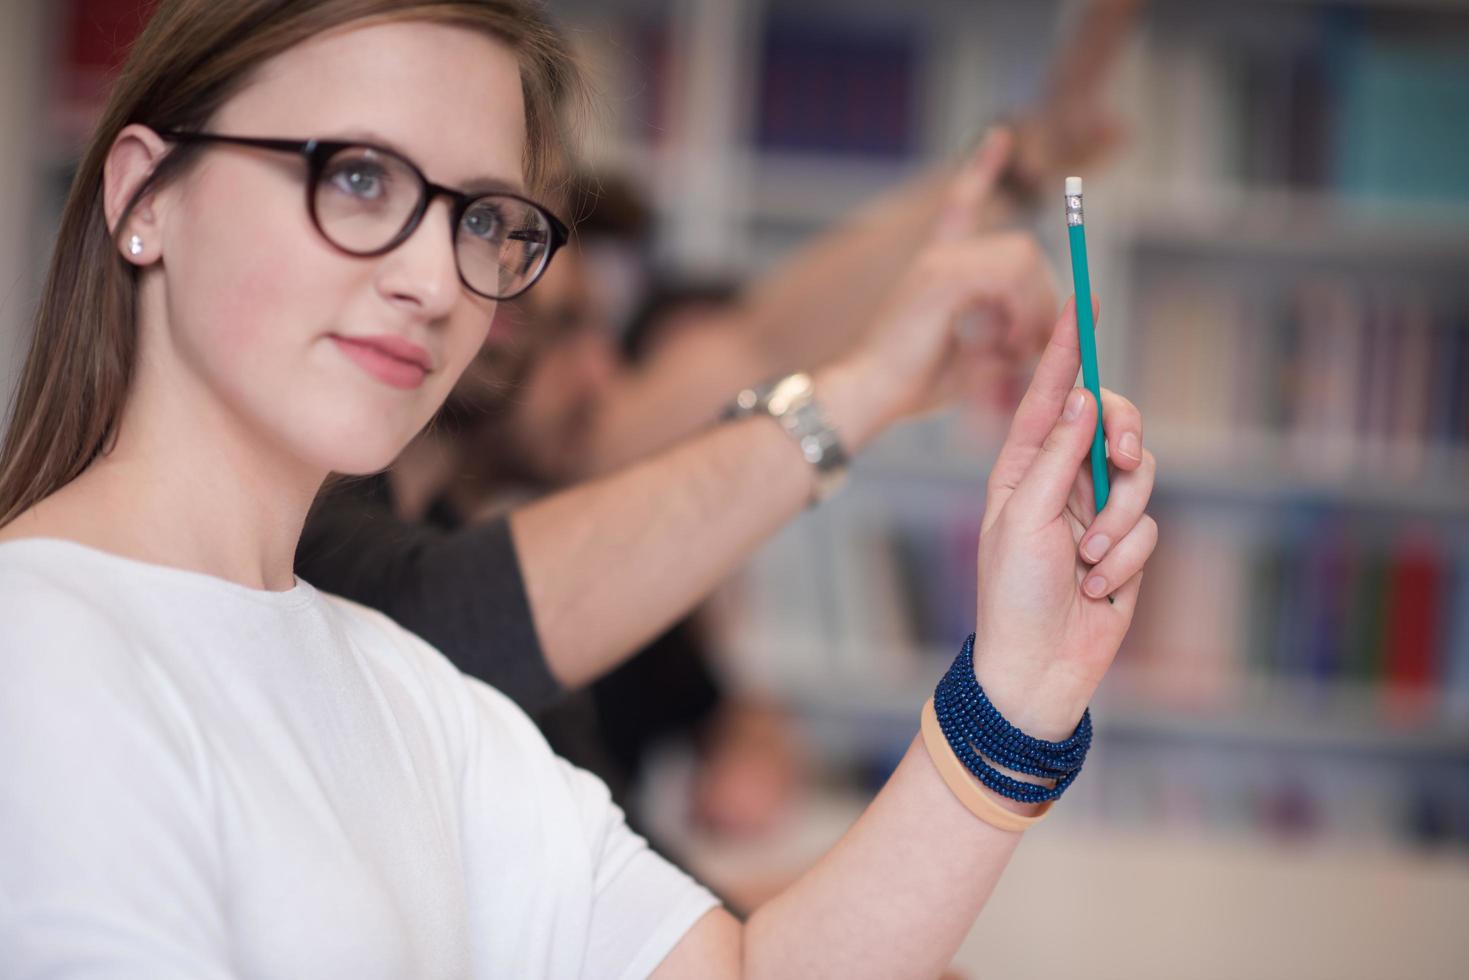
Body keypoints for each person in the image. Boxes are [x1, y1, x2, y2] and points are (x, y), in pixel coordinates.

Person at [0, 2, 1158, 976]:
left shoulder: (411, 693)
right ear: (146, 197)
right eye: (355, 177)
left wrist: (1016, 690)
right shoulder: (43, 649)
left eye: (482, 220)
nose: (429, 279)